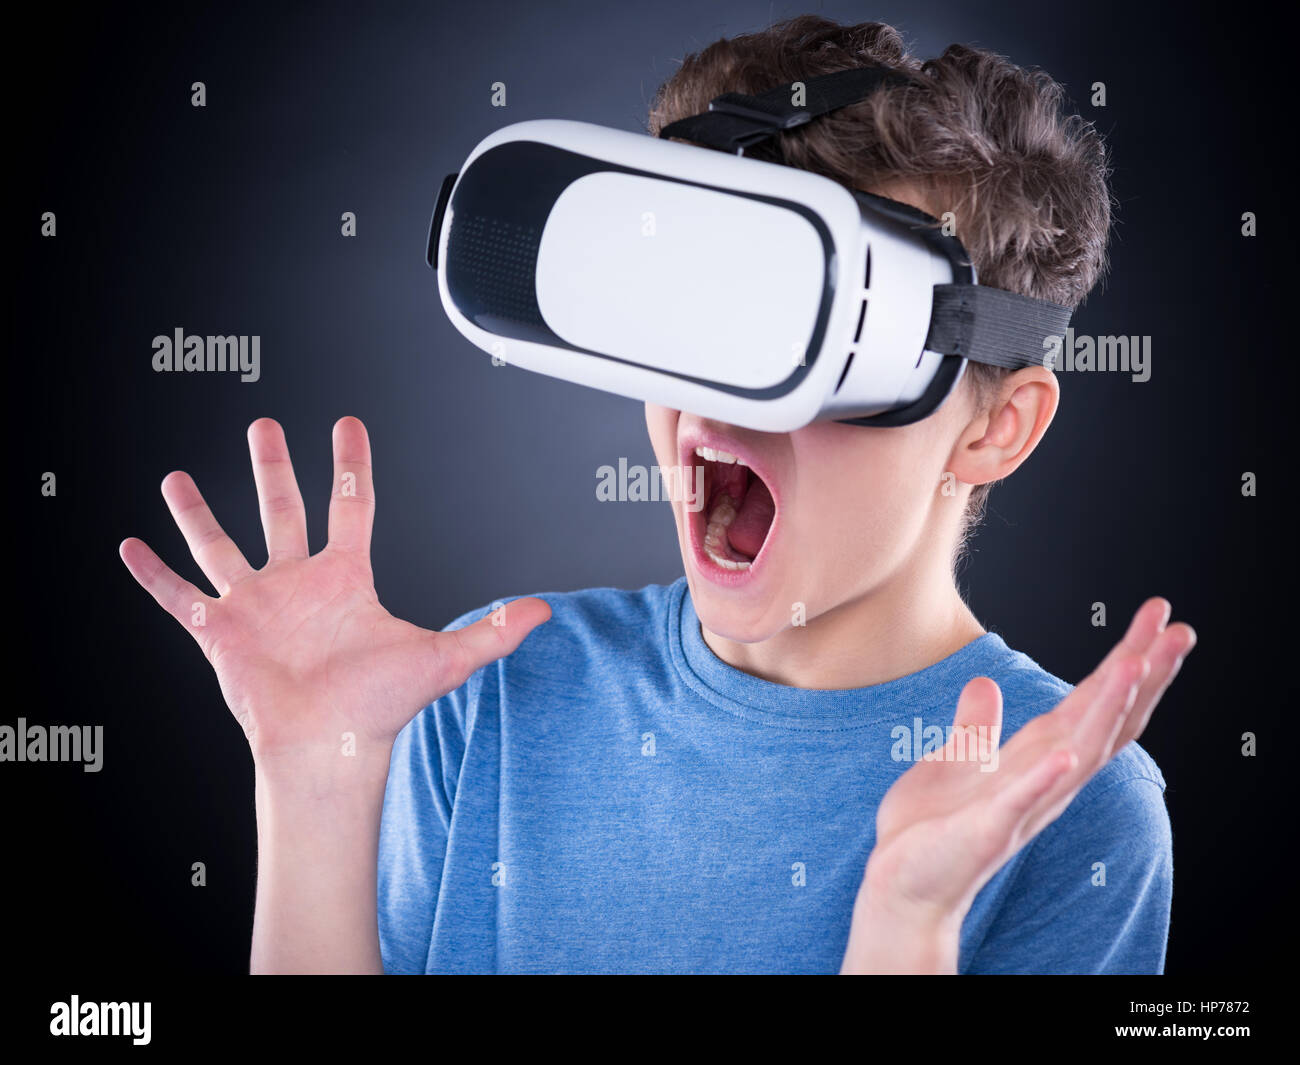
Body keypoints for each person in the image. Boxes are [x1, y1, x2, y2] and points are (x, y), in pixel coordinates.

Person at [118, 16, 1196, 974]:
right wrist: (314, 784)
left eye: (809, 343)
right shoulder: (485, 697)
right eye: (692, 323)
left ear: (996, 427)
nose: (716, 413)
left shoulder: (1063, 801)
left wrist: (904, 933)